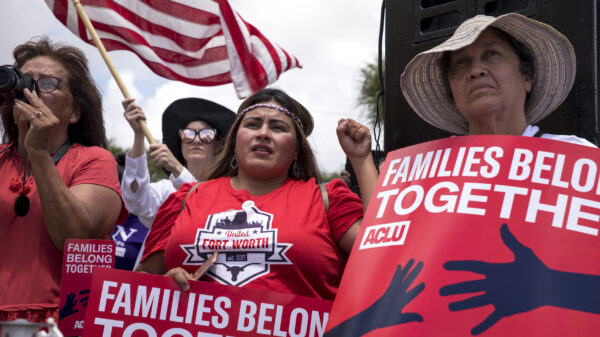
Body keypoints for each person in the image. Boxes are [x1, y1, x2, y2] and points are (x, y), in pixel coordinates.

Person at [136, 88, 378, 300]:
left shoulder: (327, 199)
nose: (263, 133)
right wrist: (163, 285)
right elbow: (138, 284)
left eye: (278, 127)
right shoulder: (185, 199)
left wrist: (362, 159)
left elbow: (382, 253)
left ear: (296, 149)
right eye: (252, 124)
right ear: (233, 142)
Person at [0, 37, 126, 322]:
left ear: (76, 112)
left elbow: (74, 237)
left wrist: (38, 152)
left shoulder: (94, 160)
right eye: (24, 81)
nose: (30, 91)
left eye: (47, 84)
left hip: (60, 321)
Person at [400, 13, 596, 147]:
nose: (475, 71)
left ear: (526, 78)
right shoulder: (428, 169)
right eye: (461, 63)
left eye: (492, 54)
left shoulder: (575, 159)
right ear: (452, 93)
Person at [121, 97, 236, 228]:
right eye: (188, 135)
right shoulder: (165, 190)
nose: (196, 140)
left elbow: (204, 206)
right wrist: (139, 134)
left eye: (206, 135)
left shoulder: (228, 188)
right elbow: (135, 202)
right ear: (180, 143)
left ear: (219, 145)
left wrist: (177, 168)